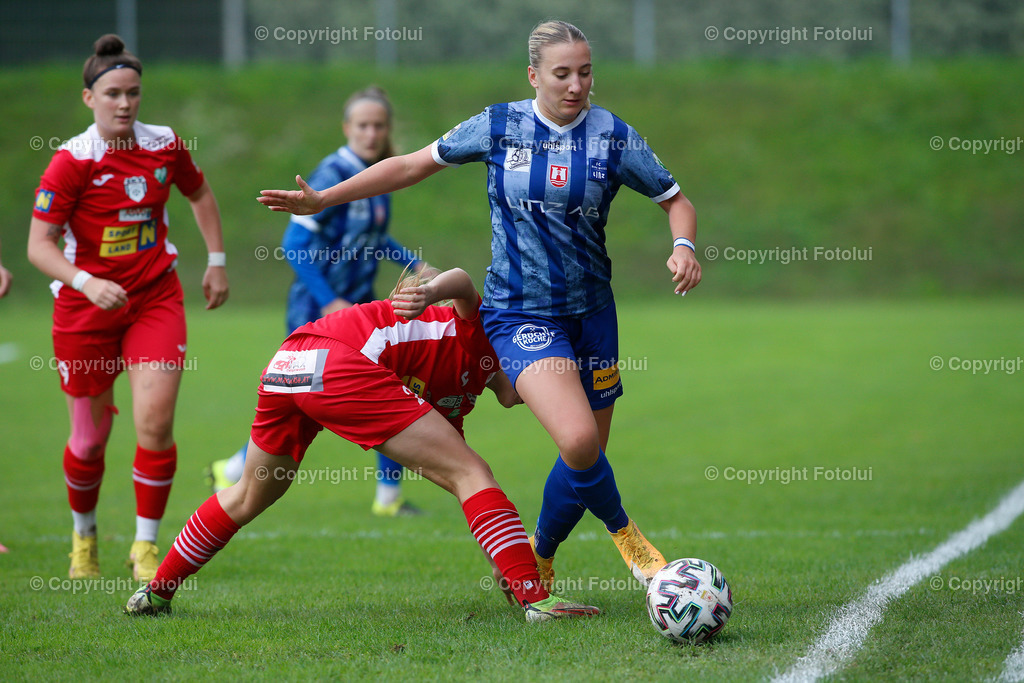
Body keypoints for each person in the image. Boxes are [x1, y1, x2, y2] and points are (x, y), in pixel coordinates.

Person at [258, 20, 701, 590]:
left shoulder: (612, 135)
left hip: (593, 314)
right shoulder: (499, 125)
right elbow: (412, 164)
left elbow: (675, 199)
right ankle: (631, 542)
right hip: (519, 313)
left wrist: (683, 246)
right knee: (579, 440)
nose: (576, 86)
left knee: (585, 459)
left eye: (585, 73)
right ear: (533, 74)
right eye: (562, 74)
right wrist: (324, 198)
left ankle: (538, 554)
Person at [125, 267, 599, 622]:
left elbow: (457, 479)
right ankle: (538, 602)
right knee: (472, 471)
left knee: (250, 493)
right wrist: (429, 290)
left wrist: (506, 563)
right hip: (338, 362)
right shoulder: (490, 330)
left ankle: (157, 591)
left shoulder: (461, 395)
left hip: (291, 362)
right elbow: (462, 280)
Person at [27, 34, 230, 583]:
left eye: (133, 93)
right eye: (113, 93)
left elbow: (200, 193)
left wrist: (216, 259)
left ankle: (144, 545)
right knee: (89, 440)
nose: (124, 103)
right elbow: (38, 245)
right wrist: (85, 281)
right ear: (89, 98)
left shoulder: (164, 144)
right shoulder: (71, 161)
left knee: (155, 423)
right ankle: (84, 538)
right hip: (84, 310)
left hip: (154, 299)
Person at [208, 86, 435, 518]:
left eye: (379, 125)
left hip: (360, 306)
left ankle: (388, 497)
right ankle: (236, 468)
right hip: (318, 310)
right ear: (347, 128)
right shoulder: (332, 173)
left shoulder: (378, 174)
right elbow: (294, 243)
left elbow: (373, 235)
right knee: (303, 404)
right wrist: (329, 300)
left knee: (393, 385)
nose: (371, 133)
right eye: (363, 125)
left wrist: (414, 264)